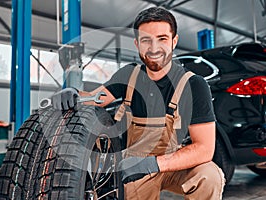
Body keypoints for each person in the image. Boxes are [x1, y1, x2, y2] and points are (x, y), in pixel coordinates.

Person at [52, 6, 225, 200]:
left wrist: (154, 164)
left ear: (174, 41)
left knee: (209, 176)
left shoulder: (193, 85)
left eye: (162, 39)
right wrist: (74, 94)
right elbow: (95, 98)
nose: (153, 48)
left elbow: (204, 149)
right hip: (133, 165)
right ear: (137, 43)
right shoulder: (129, 75)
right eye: (145, 40)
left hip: (174, 163)